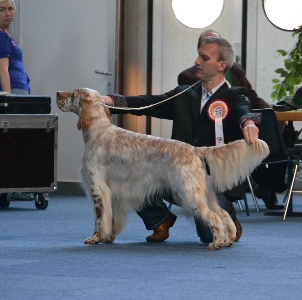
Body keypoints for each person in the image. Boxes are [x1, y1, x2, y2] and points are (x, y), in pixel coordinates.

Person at [101, 36, 261, 243]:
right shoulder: (184, 93)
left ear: (221, 66)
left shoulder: (236, 95)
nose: (197, 62)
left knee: (207, 235)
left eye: (204, 58)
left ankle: (227, 214)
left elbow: (244, 110)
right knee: (129, 176)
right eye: (198, 57)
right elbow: (147, 103)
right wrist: (106, 100)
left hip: (211, 181)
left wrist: (248, 122)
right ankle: (160, 219)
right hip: (173, 175)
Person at [178, 29, 287, 210]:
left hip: (242, 122)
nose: (216, 43)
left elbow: (249, 97)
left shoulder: (235, 69)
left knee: (278, 128)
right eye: (211, 41)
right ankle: (254, 184)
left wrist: (270, 113)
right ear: (200, 48)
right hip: (213, 134)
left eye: (219, 40)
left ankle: (269, 185)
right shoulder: (188, 76)